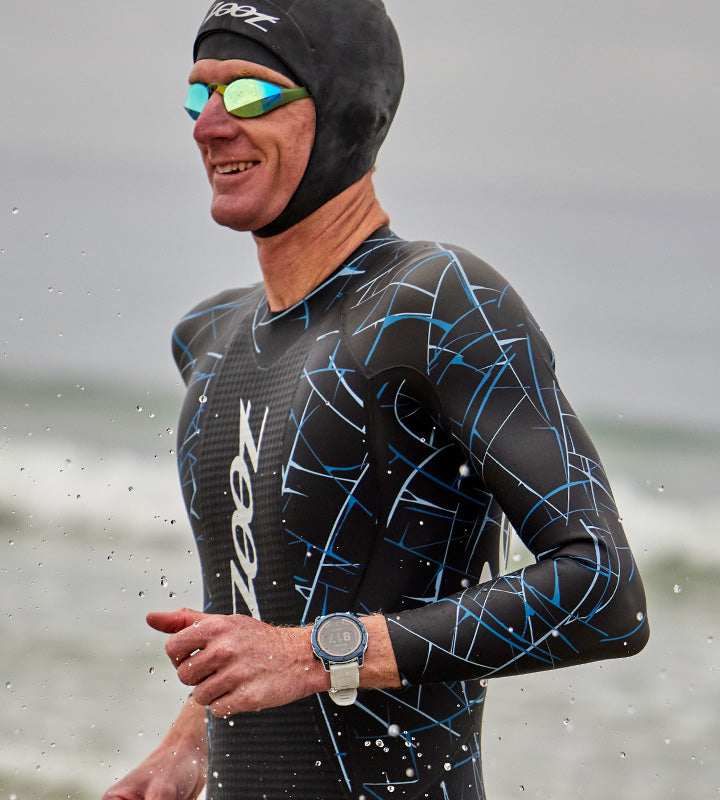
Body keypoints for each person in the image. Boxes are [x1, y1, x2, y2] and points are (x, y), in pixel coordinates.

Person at [103, 1, 649, 798]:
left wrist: (312, 655)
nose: (210, 125)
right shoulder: (211, 341)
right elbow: (276, 592)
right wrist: (194, 736)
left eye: (250, 96)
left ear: (347, 111)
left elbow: (604, 592)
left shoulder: (434, 306)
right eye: (198, 96)